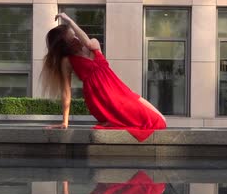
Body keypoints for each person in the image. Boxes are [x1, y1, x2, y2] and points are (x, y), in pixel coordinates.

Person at [40, 13, 167, 142]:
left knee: (160, 120)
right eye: (72, 39)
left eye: (75, 35)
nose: (76, 39)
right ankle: (112, 120)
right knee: (154, 121)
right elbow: (66, 92)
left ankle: (113, 121)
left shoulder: (92, 44)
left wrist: (69, 21)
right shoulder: (67, 61)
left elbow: (88, 43)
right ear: (65, 45)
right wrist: (65, 122)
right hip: (99, 97)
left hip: (118, 90)